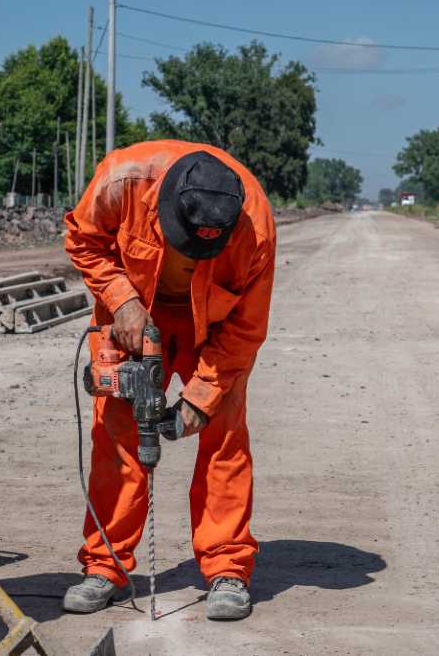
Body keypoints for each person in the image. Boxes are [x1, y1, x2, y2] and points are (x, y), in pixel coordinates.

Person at [63, 140, 276, 620]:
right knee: (118, 438)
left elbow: (247, 327)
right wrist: (122, 300)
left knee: (223, 439)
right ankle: (105, 564)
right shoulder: (122, 179)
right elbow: (82, 239)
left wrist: (199, 399)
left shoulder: (254, 225)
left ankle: (227, 568)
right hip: (133, 316)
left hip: (215, 325)